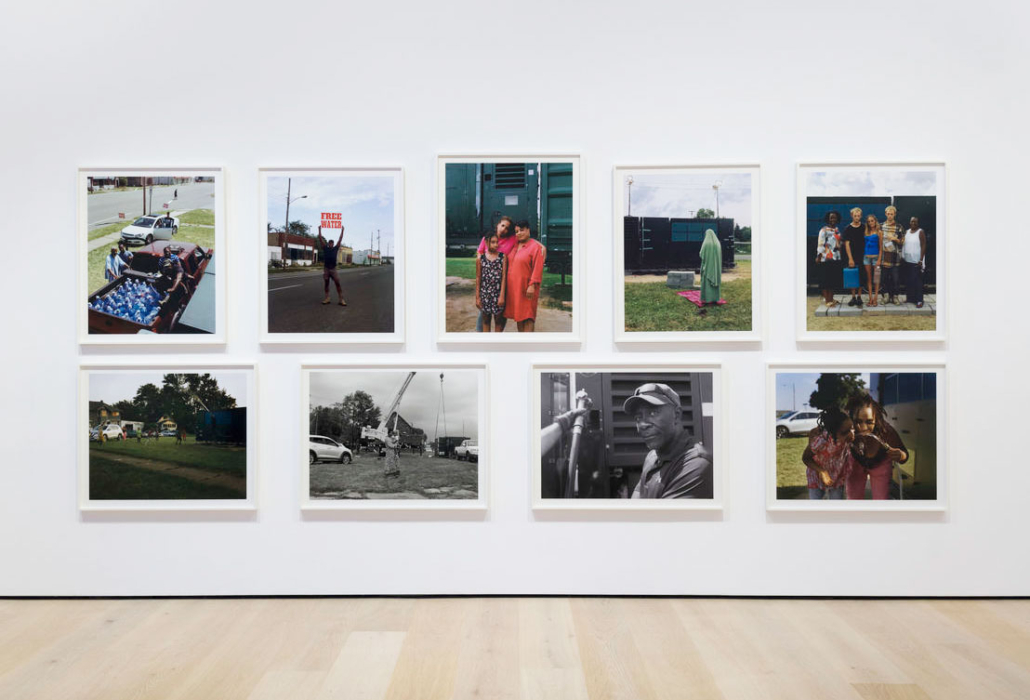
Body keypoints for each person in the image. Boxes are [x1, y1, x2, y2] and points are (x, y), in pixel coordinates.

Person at [623, 383, 713, 499]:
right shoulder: (652, 456)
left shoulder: (697, 465)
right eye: (638, 418)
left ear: (676, 415)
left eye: (652, 413)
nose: (642, 424)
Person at [845, 394, 908, 500]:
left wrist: (900, 455)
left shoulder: (886, 431)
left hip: (880, 464)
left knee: (881, 499)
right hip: (856, 463)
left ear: (876, 419)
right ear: (851, 419)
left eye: (869, 422)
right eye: (858, 421)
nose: (863, 427)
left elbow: (905, 456)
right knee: (853, 498)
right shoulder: (847, 430)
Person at [801, 406, 854, 500]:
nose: (850, 434)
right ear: (832, 432)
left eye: (851, 428)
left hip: (836, 476)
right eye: (845, 432)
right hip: (817, 475)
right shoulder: (821, 441)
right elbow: (806, 458)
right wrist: (822, 471)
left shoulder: (847, 437)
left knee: (836, 506)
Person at [475, 217, 517, 331]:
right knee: (484, 317)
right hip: (486, 288)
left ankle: (496, 343)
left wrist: (541, 244)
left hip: (500, 286)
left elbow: (525, 237)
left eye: (507, 228)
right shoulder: (486, 239)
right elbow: (479, 257)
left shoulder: (511, 240)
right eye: (502, 225)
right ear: (498, 225)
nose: (504, 229)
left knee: (500, 318)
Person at [503, 220, 546, 332]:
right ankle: (522, 343)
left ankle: (529, 345)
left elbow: (538, 268)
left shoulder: (535, 247)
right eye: (516, 231)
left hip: (527, 288)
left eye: (522, 230)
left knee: (528, 317)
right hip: (515, 289)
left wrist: (532, 285)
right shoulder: (514, 245)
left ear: (528, 230)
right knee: (519, 317)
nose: (519, 233)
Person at [475, 232, 507, 332]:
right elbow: (478, 278)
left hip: (497, 294)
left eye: (497, 242)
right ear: (486, 242)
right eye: (493, 242)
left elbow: (504, 277)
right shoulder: (480, 259)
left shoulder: (503, 257)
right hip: (485, 294)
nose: (496, 245)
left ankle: (496, 344)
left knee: (498, 322)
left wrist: (502, 296)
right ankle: (487, 344)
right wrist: (477, 297)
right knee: (485, 321)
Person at [815, 211, 842, 307]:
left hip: (836, 257)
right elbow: (820, 244)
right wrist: (818, 256)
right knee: (825, 280)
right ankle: (827, 300)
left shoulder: (837, 230)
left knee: (832, 279)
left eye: (834, 218)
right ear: (828, 219)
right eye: (831, 218)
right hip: (825, 258)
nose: (833, 220)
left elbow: (838, 244)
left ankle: (831, 299)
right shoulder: (823, 230)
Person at [317, 225, 347, 306]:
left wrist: (342, 230)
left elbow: (340, 239)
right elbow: (320, 239)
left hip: (333, 269)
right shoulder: (325, 248)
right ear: (328, 244)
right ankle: (327, 298)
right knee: (326, 283)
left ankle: (341, 299)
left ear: (333, 244)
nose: (330, 244)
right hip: (326, 269)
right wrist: (319, 230)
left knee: (337, 283)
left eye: (332, 243)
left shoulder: (335, 248)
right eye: (329, 243)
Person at [880, 206, 903, 305]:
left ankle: (895, 297)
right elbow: (878, 241)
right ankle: (885, 297)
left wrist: (894, 239)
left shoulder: (899, 227)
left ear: (895, 214)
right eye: (888, 214)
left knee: (895, 279)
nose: (890, 216)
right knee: (883, 279)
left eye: (892, 214)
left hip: (895, 258)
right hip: (884, 257)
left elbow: (902, 242)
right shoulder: (881, 226)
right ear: (885, 214)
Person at [843, 207, 865, 307]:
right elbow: (847, 244)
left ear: (861, 216)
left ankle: (859, 297)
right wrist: (850, 258)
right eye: (855, 215)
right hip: (852, 255)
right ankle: (853, 297)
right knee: (852, 276)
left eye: (858, 215)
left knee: (861, 275)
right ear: (852, 216)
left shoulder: (864, 227)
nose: (857, 217)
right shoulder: (848, 228)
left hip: (863, 255)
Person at [902, 216, 927, 308]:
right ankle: (910, 298)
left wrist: (921, 259)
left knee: (918, 282)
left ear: (918, 223)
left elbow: (923, 245)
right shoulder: (907, 232)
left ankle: (919, 300)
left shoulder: (920, 232)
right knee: (909, 281)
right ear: (909, 222)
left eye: (915, 222)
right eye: (912, 221)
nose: (913, 223)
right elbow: (904, 244)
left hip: (916, 261)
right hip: (907, 260)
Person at [698, 228, 722, 316]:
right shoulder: (717, 243)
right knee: (714, 282)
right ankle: (715, 299)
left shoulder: (706, 243)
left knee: (707, 283)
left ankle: (707, 300)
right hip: (716, 268)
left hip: (708, 268)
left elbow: (701, 254)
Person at [863, 214, 882, 306]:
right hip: (866, 258)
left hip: (876, 258)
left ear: (875, 221)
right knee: (869, 279)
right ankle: (870, 298)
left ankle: (875, 299)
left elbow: (881, 248)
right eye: (869, 221)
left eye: (872, 221)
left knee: (876, 279)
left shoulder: (879, 232)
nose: (871, 223)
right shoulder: (866, 231)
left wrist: (879, 260)